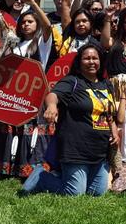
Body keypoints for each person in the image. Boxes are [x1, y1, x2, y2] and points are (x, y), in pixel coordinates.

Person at [24, 44, 116, 196]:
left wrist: (114, 131)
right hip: (75, 149)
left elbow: (108, 112)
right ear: (79, 62)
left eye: (95, 58)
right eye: (87, 58)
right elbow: (52, 95)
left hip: (99, 151)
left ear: (101, 61)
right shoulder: (72, 81)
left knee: (97, 193)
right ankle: (42, 178)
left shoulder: (106, 84)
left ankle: (62, 177)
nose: (91, 61)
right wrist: (52, 107)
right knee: (75, 194)